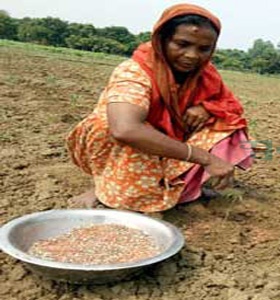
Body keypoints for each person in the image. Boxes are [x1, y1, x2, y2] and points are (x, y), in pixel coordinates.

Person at [66, 4, 254, 212]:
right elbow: (125, 129)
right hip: (131, 145)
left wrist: (207, 108)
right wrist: (206, 158)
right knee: (107, 124)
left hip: (171, 145)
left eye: (203, 49)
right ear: (162, 40)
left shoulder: (205, 74)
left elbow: (231, 107)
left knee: (227, 124)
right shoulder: (134, 72)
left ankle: (177, 188)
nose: (192, 55)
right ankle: (104, 187)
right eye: (182, 44)